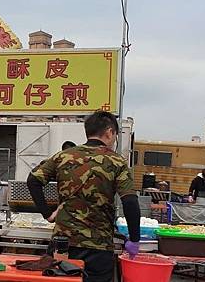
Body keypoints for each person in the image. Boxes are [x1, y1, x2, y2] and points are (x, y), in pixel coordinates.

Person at [27, 110, 141, 282]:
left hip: (62, 243)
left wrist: (47, 213)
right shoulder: (117, 162)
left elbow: (33, 180)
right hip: (98, 248)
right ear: (110, 132)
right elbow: (130, 201)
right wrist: (134, 238)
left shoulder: (64, 156)